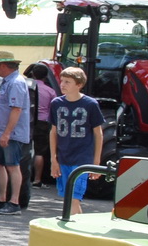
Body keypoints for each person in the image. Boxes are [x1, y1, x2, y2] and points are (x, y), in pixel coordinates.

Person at [50, 66, 105, 200]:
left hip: (82, 158)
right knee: (67, 198)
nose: (62, 84)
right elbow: (53, 132)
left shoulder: (90, 104)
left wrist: (96, 161)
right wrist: (53, 159)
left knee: (74, 199)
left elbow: (98, 133)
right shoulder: (56, 103)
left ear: (79, 85)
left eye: (67, 82)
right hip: (63, 157)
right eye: (62, 81)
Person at [0, 50, 31, 214]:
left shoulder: (16, 83)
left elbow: (16, 109)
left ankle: (14, 202)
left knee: (13, 165)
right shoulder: (9, 82)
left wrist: (7, 133)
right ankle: (1, 198)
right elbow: (3, 100)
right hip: (3, 133)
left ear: (4, 66)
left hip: (11, 134)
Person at [25, 63, 58, 187]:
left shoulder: (26, 87)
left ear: (33, 74)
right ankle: (37, 179)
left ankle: (23, 177)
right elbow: (53, 109)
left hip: (27, 121)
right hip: (43, 123)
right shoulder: (51, 91)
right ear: (46, 76)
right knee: (40, 152)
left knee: (24, 149)